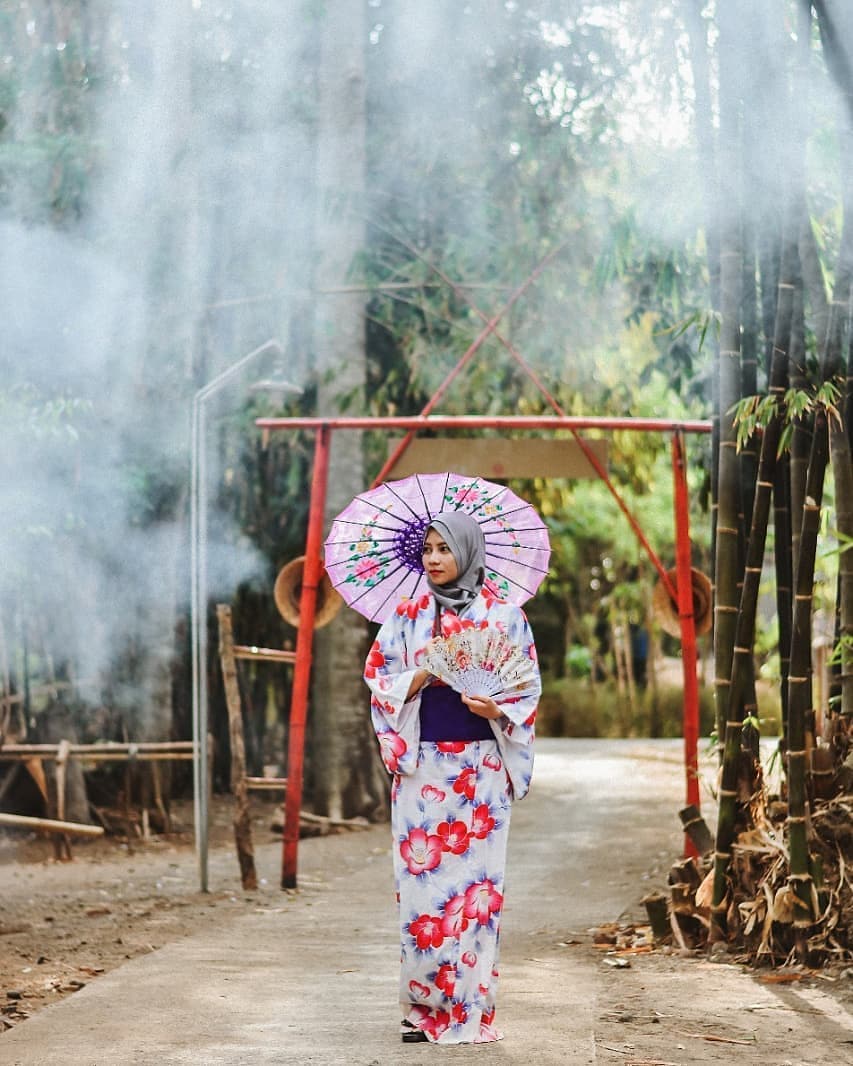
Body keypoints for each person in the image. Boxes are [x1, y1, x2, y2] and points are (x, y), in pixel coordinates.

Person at [363, 511, 541, 1045]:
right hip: (423, 769)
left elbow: (525, 693)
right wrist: (424, 673)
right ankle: (423, 1008)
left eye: (445, 549)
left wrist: (494, 708)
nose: (435, 559)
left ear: (468, 552)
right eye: (429, 549)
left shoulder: (506, 617)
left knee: (475, 893)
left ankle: (469, 1008)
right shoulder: (406, 615)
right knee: (422, 893)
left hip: (482, 773)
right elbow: (379, 681)